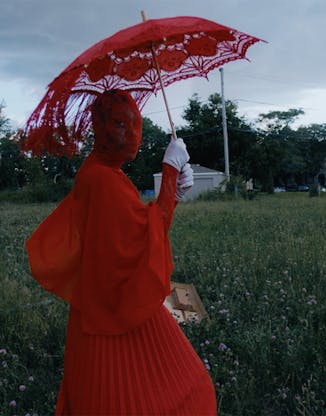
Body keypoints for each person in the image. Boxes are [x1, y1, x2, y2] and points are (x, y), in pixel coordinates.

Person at [25, 90, 216, 415]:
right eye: (120, 126)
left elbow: (142, 226)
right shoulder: (102, 179)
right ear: (101, 130)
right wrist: (169, 172)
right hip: (115, 310)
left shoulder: (105, 171)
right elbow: (144, 237)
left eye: (134, 125)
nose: (131, 136)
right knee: (168, 389)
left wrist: (175, 190)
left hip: (110, 304)